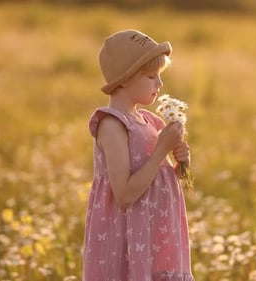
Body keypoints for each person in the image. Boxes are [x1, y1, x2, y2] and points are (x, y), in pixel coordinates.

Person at [83, 29, 194, 281]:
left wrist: (180, 165)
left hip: (154, 239)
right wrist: (161, 150)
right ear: (124, 79)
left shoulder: (150, 122)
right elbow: (124, 195)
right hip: (129, 241)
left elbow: (164, 181)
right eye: (152, 76)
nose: (160, 84)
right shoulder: (112, 125)